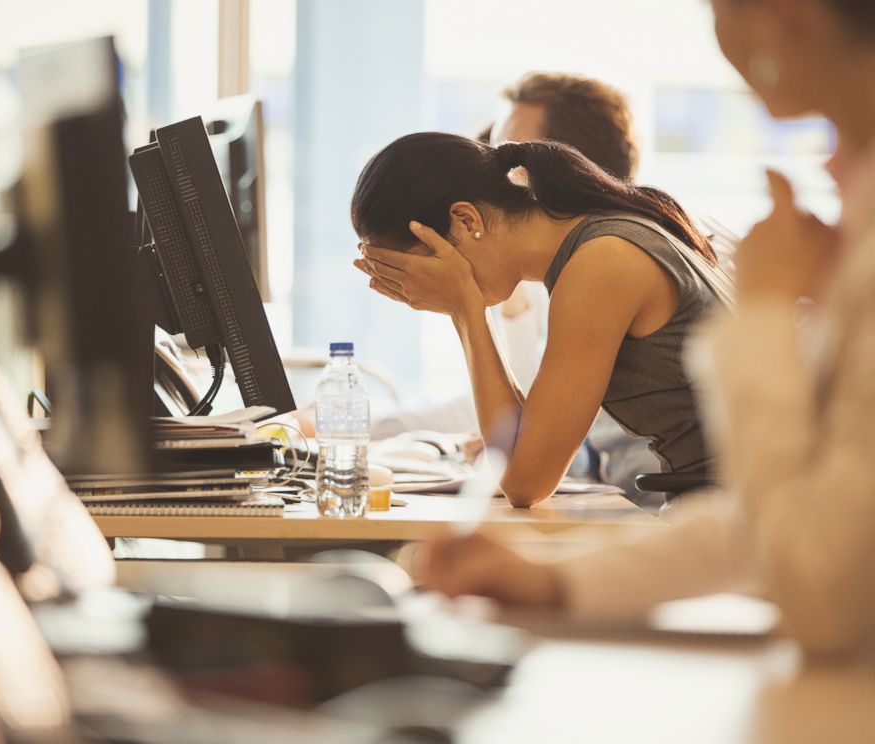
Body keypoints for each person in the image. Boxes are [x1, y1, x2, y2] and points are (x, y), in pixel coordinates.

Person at [422, 0, 875, 657]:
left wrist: (769, 314)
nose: (832, 171)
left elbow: (819, 583)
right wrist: (552, 583)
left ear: (784, 15)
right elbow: (765, 517)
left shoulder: (607, 257)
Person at [352, 133, 734, 507]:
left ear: (466, 221)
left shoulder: (601, 262)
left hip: (735, 516)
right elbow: (522, 444)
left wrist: (464, 308)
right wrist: (465, 307)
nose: (424, 288)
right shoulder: (596, 245)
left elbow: (524, 482)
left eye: (426, 267)